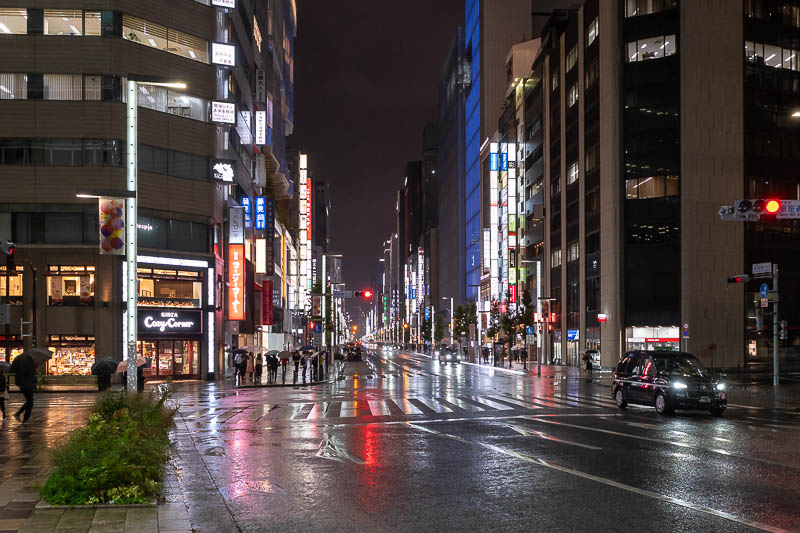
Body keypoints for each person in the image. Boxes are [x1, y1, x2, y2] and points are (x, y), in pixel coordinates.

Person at [9, 354, 37, 423]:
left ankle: (19, 414)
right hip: (29, 384)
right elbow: (34, 373)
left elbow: (11, 370)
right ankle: (25, 419)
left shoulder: (17, 361)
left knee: (29, 401)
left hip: (21, 383)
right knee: (30, 402)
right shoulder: (31, 363)